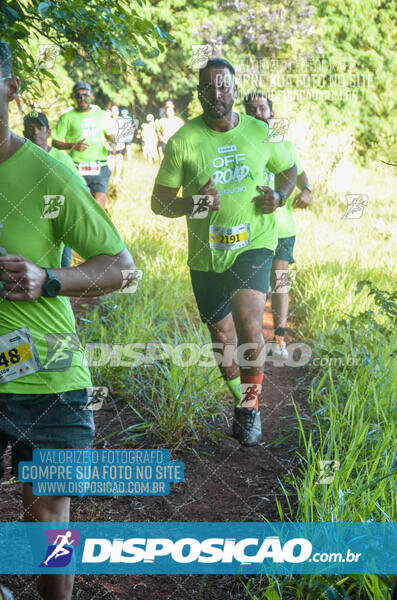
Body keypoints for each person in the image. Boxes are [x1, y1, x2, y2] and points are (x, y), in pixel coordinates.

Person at [0, 42, 134, 600]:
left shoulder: (48, 175)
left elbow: (122, 269)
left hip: (47, 376)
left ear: (10, 89)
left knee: (51, 521)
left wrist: (48, 279)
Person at [151, 58, 296, 446]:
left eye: (223, 86)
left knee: (250, 324)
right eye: (208, 87)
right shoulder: (183, 141)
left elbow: (289, 169)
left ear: (234, 89)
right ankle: (239, 398)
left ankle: (249, 408)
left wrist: (279, 196)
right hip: (206, 252)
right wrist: (195, 203)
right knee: (221, 335)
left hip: (255, 243)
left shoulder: (261, 132)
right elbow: (159, 203)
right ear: (198, 93)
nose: (217, 94)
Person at [244, 92, 311, 358]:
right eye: (252, 108)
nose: (258, 112)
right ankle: (253, 335)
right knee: (254, 283)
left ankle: (279, 338)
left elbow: (299, 171)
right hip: (251, 224)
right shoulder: (239, 143)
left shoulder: (284, 143)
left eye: (262, 108)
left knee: (280, 281)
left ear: (271, 112)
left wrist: (306, 190)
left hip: (282, 225)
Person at [23, 110, 87, 268]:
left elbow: (80, 188)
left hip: (60, 220)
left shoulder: (62, 159)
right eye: (30, 128)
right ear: (24, 133)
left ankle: (63, 291)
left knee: (62, 264)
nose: (35, 132)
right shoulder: (20, 159)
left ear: (49, 132)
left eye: (40, 127)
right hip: (31, 221)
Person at [52, 81, 113, 210]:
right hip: (76, 168)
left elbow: (111, 135)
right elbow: (54, 142)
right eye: (78, 96)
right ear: (73, 98)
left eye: (85, 95)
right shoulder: (67, 117)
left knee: (98, 208)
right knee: (81, 208)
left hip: (100, 166)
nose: (82, 99)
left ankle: (98, 228)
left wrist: (114, 140)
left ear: (91, 96)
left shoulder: (101, 114)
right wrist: (72, 145)